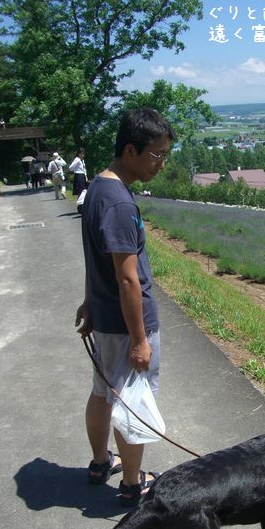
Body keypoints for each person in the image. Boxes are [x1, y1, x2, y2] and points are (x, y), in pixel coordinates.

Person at [74, 108, 175, 507]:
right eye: (156, 155)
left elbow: (96, 259)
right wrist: (139, 340)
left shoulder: (98, 187)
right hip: (128, 324)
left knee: (103, 390)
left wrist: (88, 301)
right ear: (131, 150)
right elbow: (128, 278)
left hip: (106, 317)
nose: (161, 163)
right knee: (133, 399)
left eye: (166, 154)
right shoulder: (119, 203)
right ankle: (133, 484)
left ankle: (101, 463)